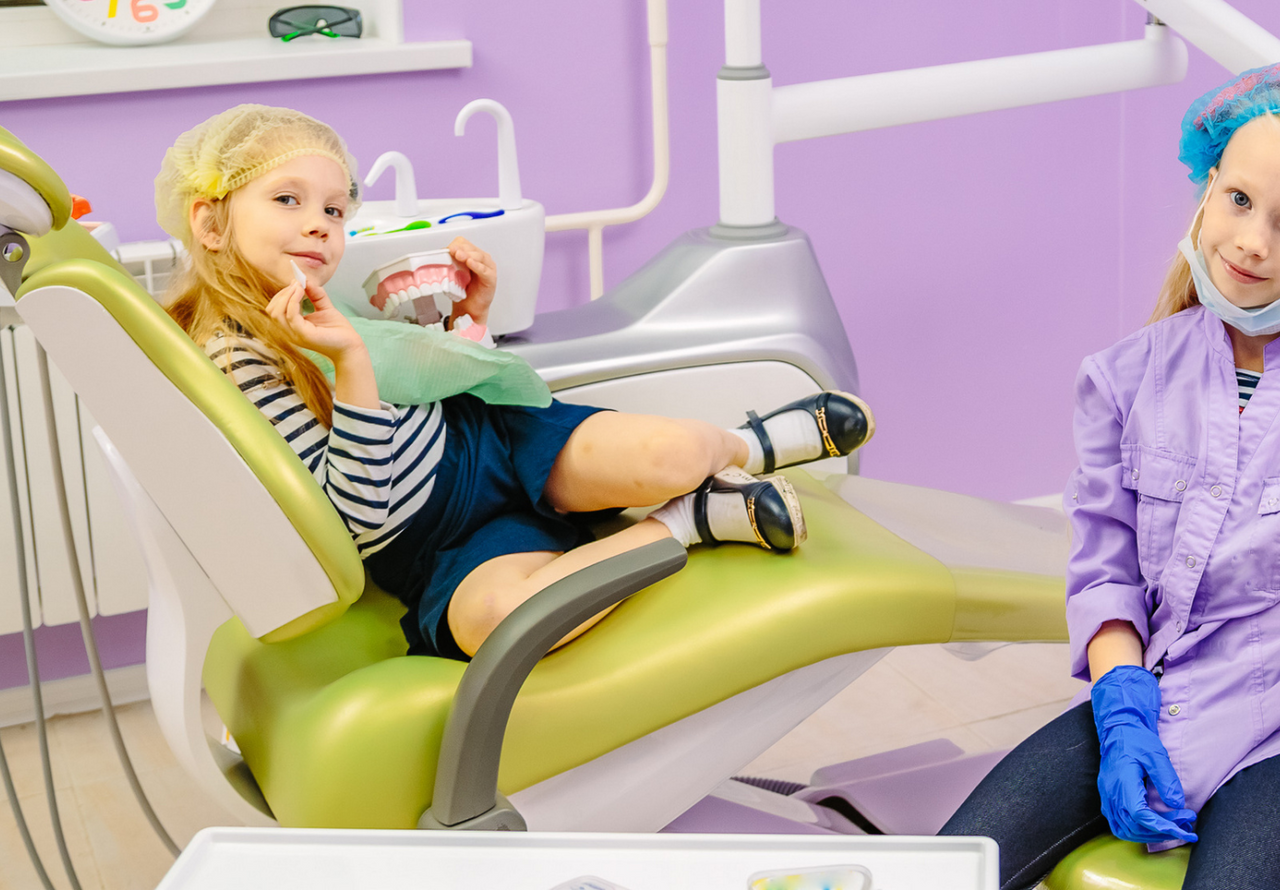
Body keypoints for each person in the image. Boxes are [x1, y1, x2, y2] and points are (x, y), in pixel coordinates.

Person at [941, 65, 1280, 890]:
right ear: (1206, 193)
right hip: (1156, 695)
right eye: (1238, 201)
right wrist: (1123, 707)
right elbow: (1106, 571)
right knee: (946, 870)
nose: (1252, 242)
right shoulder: (1122, 378)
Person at [155, 104, 875, 661]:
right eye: (288, 200)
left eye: (335, 209)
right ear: (210, 223)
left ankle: (748, 446)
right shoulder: (236, 362)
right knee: (497, 622)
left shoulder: (319, 303)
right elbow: (362, 516)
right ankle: (691, 520)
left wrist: (470, 326)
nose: (319, 226)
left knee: (677, 456)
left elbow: (424, 381)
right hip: (431, 541)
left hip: (496, 441)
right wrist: (351, 366)